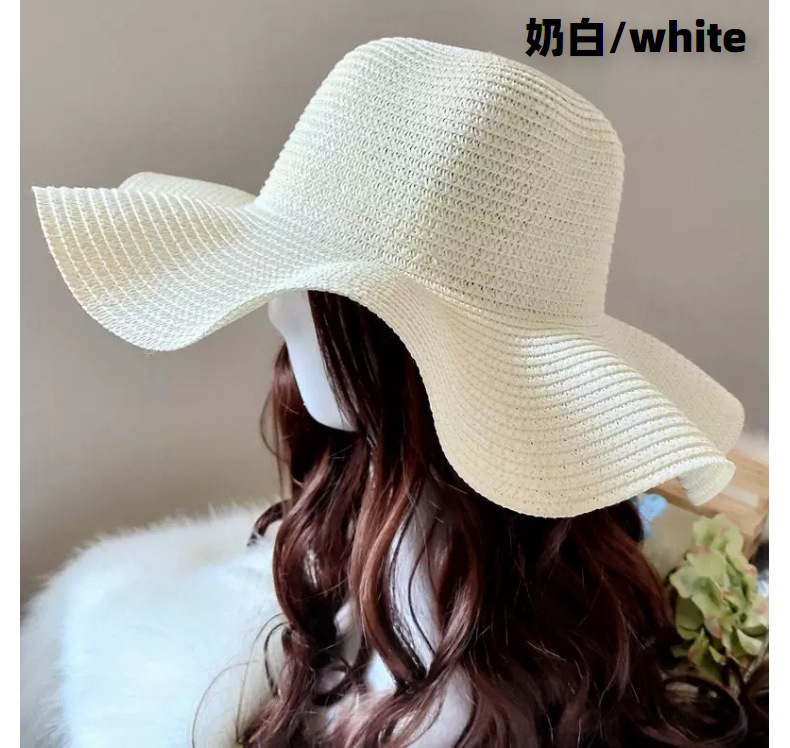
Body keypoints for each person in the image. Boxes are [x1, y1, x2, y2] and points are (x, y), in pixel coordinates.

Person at [22, 38, 766, 746]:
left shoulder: (450, 671)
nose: (278, 311)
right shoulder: (351, 564)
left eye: (309, 283)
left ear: (390, 343)